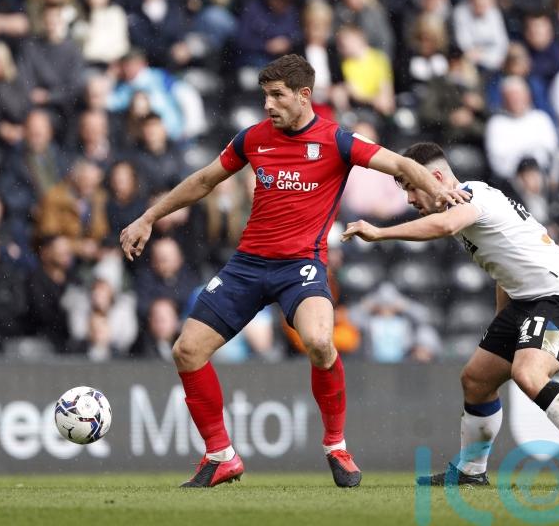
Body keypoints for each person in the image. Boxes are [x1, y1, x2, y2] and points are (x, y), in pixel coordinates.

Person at [119, 55, 469, 489]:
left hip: (301, 267)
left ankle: (336, 445)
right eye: (265, 95)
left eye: (277, 95)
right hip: (247, 264)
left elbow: (402, 165)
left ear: (304, 96)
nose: (268, 104)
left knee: (321, 342)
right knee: (186, 351)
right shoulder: (253, 138)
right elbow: (205, 180)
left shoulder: (337, 140)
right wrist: (149, 217)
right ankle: (220, 455)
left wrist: (441, 192)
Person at [340, 142, 559, 488]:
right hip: (524, 303)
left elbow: (444, 227)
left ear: (435, 177)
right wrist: (501, 323)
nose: (410, 200)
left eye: (411, 187)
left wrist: (380, 232)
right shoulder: (468, 203)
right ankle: (471, 470)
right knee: (476, 380)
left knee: (528, 373)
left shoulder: (473, 198)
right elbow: (504, 269)